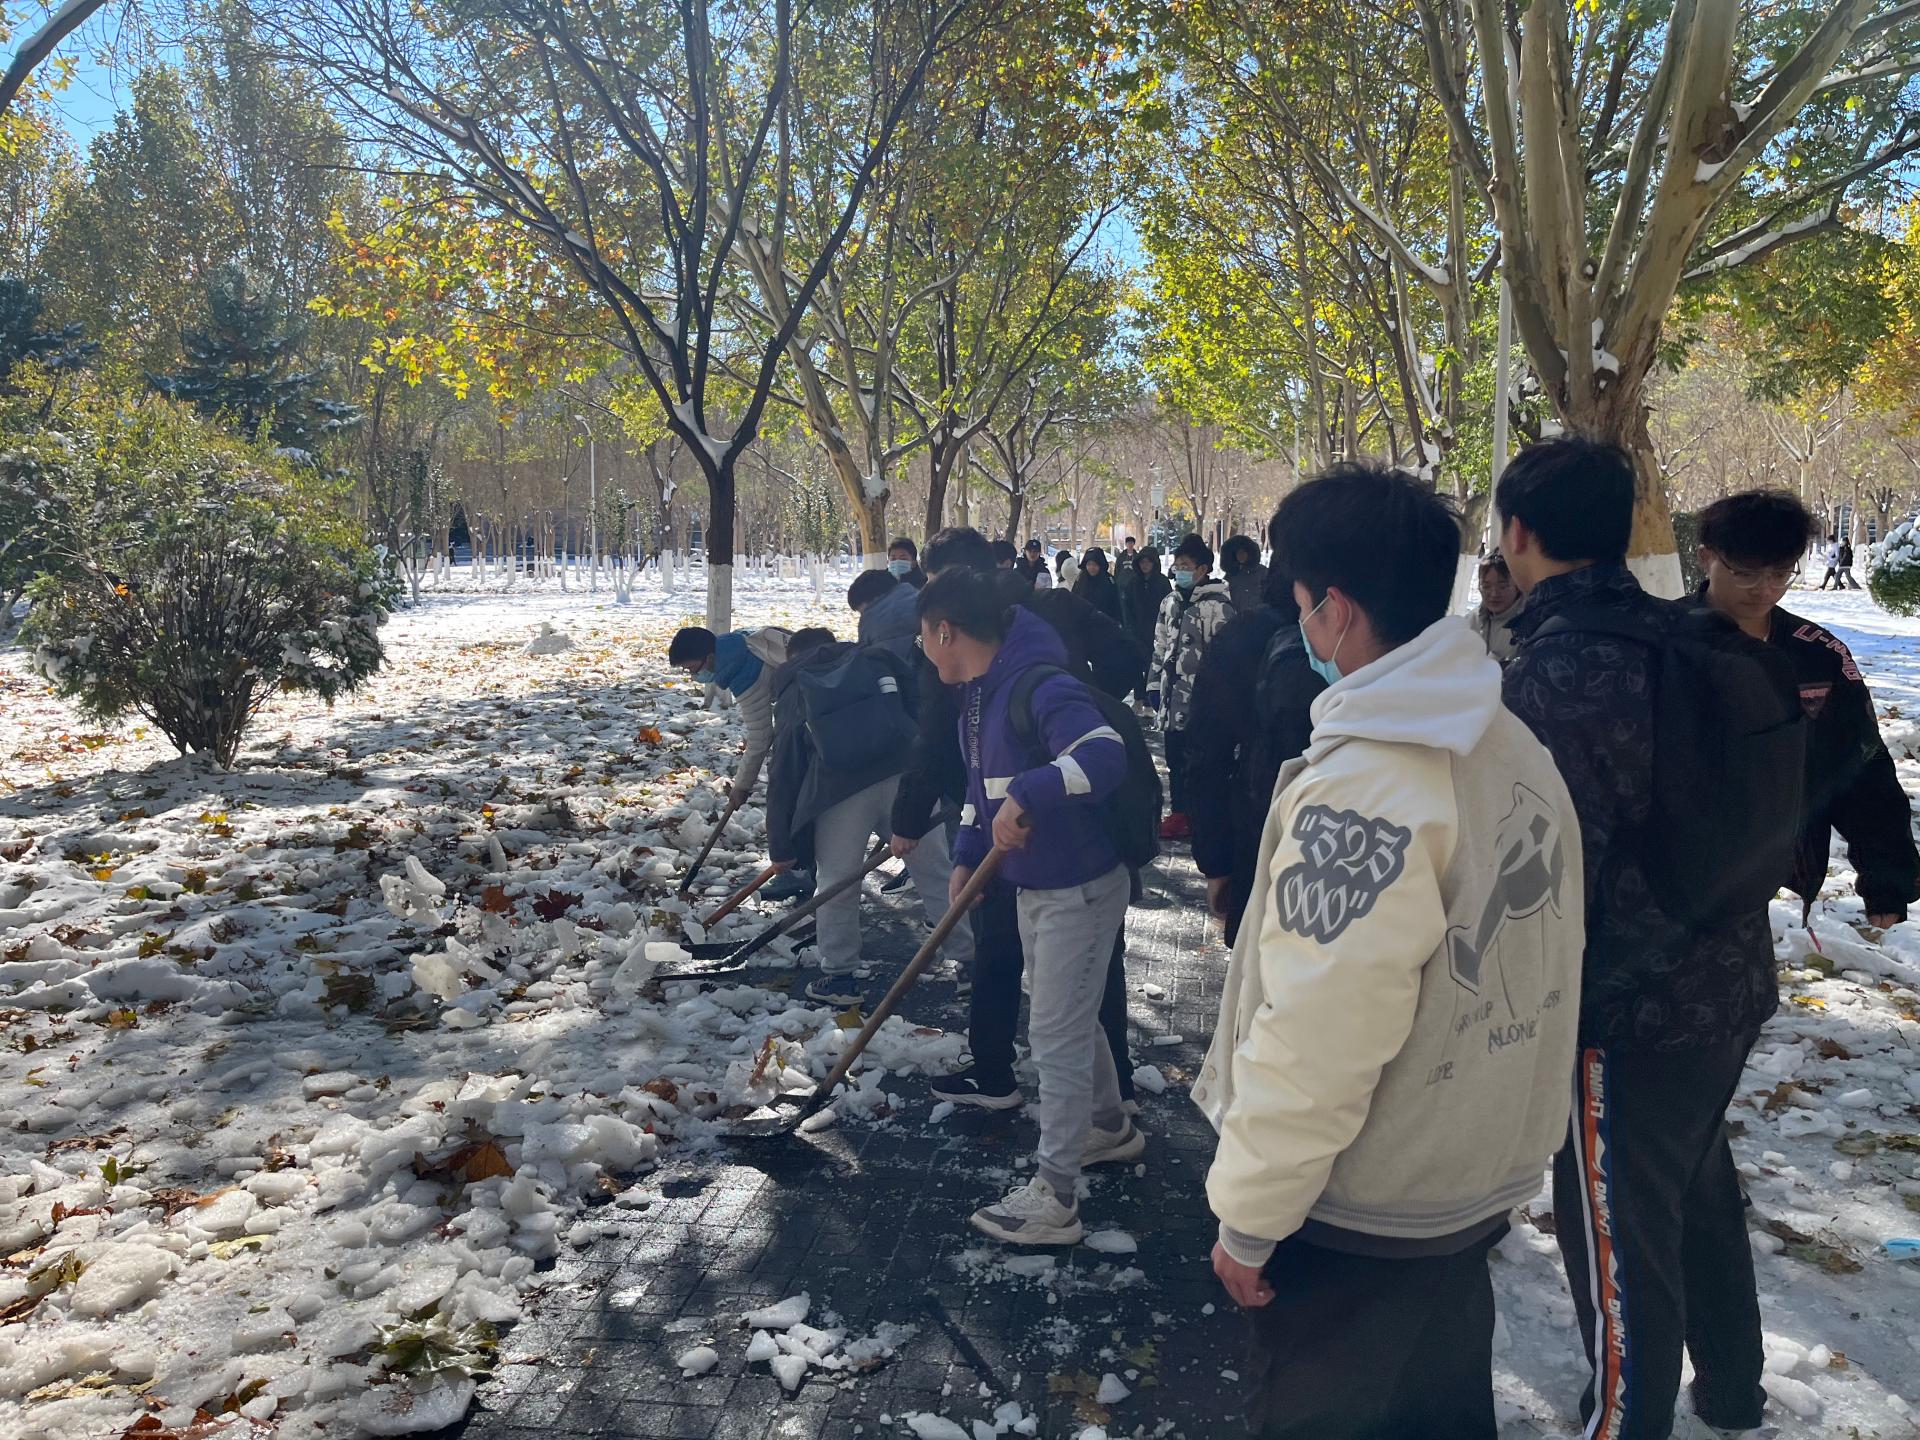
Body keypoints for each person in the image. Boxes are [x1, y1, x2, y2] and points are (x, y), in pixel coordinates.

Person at [1195, 461, 1582, 1440]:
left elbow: (1320, 1028)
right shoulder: (1505, 740)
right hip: (1464, 1177)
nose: (1299, 629)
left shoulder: (1368, 788)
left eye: (1300, 607)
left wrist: (1251, 1215)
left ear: (1333, 609)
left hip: (1364, 1207)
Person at [1499, 437, 1779, 1440]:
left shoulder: (1558, 670)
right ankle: (1734, 1390)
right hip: (1729, 982)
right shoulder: (1688, 634)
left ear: (1518, 533)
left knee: (1620, 1244)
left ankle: (1626, 1423)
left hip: (1626, 1013)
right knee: (1695, 1186)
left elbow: (1545, 873)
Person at [920, 572, 1142, 1244]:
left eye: (923, 636)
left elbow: (1103, 755)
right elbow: (979, 789)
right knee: (1068, 1015)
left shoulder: (1039, 683)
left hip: (1078, 886)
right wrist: (967, 852)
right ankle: (1108, 1127)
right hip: (1035, 885)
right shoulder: (978, 696)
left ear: (945, 631)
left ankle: (1057, 1196)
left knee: (1054, 1035)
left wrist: (1031, 793)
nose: (923, 649)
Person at [897, 526, 1142, 1112]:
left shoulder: (1009, 666)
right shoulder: (983, 677)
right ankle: (1111, 1104)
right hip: (1016, 834)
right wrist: (966, 849)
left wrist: (1068, 721)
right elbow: (976, 770)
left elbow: (1099, 751)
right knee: (1082, 985)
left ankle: (1052, 1119)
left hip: (1068, 852)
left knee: (1045, 1007)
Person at [1695, 491, 1918, 928]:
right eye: (1745, 573)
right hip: (1668, 867)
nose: (1764, 590)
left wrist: (1886, 876)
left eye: (1780, 574)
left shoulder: (1818, 655)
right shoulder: (1660, 642)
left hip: (1767, 868)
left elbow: (1860, 763)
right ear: (1707, 558)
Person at [766, 628, 974, 1005]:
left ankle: (840, 977)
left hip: (838, 792)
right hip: (906, 777)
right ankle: (971, 964)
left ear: (793, 655)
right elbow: (920, 711)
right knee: (935, 871)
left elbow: (785, 765)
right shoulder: (877, 660)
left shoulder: (797, 682)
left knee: (837, 881)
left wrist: (781, 844)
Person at [1186, 530, 1323, 944]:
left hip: (1258, 841)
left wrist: (1216, 862)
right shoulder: (1377, 650)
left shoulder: (1243, 634)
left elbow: (1205, 753)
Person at [1148, 535, 1234, 840]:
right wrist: (1154, 683)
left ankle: (1201, 814)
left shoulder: (1218, 607)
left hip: (1201, 701)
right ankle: (1180, 812)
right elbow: (1160, 645)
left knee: (1200, 762)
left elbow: (1225, 657)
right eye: (1178, 565)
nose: (1180, 570)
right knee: (1174, 759)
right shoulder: (1170, 602)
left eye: (1186, 565)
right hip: (1171, 700)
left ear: (1203, 569)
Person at [667, 623, 793, 806]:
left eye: (693, 668)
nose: (693, 675)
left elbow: (761, 737)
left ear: (710, 658)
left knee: (787, 775)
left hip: (819, 707)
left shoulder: (746, 676)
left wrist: (741, 786)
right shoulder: (737, 643)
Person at [1128, 546, 1172, 703]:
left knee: (1153, 665)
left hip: (1157, 631)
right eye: (1142, 562)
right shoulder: (1133, 583)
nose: (1145, 565)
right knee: (1136, 664)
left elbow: (1169, 606)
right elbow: (1128, 606)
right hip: (1137, 631)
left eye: (1148, 562)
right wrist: (1130, 628)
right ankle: (1138, 698)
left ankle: (1150, 700)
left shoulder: (1162, 582)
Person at [848, 568, 917, 661]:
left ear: (874, 599)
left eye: (863, 612)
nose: (863, 617)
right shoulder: (919, 598)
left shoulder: (875, 621)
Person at [1470, 553, 1526, 663]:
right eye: (1486, 586)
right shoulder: (1471, 621)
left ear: (1517, 586)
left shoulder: (1529, 623)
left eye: (1502, 587)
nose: (1494, 594)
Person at [1073, 546, 1122, 622]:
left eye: (1095, 564)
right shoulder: (1081, 580)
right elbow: (1074, 600)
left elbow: (1116, 605)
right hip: (1084, 622)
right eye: (1089, 564)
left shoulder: (1109, 581)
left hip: (1104, 622)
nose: (1091, 567)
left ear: (1101, 565)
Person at [1219, 534, 1265, 614]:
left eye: (1243, 552)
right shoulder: (1230, 577)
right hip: (1236, 618)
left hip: (1260, 617)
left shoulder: (1263, 573)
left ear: (1250, 553)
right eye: (1238, 553)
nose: (1241, 555)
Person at [1115, 536, 1141, 631]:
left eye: (1131, 543)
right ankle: (1125, 624)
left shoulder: (1137, 556)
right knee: (1123, 605)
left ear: (1134, 544)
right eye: (1128, 543)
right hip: (1122, 585)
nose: (1130, 545)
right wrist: (1117, 581)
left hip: (1134, 585)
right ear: (1126, 544)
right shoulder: (1121, 557)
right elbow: (1117, 569)